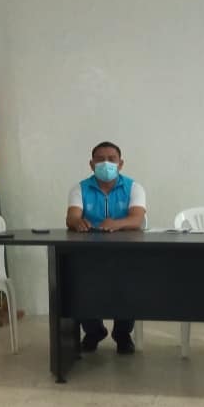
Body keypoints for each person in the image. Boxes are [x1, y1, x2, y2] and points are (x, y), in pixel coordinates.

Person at [65, 141, 148, 354]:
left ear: (121, 164)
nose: (106, 163)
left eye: (112, 159)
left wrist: (115, 224)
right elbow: (72, 217)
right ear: (91, 164)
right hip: (89, 253)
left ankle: (122, 335)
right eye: (100, 159)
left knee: (128, 285)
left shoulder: (134, 187)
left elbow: (137, 219)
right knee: (78, 283)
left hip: (126, 252)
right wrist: (77, 222)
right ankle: (94, 332)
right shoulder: (79, 188)